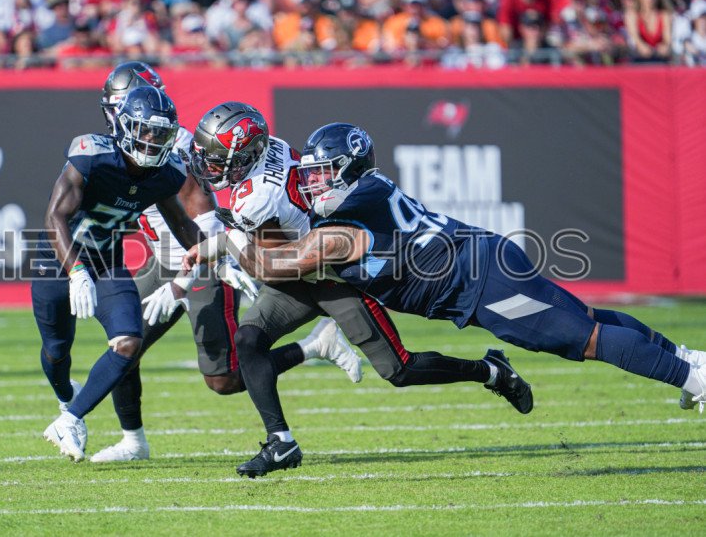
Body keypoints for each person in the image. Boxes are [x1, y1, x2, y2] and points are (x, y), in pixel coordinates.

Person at [188, 122, 706, 473]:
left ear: (347, 170)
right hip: (482, 261)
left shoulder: (339, 232)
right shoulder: (371, 187)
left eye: (323, 173)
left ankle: (693, 378)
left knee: (584, 339)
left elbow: (272, 266)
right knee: (588, 319)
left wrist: (226, 239)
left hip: (480, 284)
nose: (313, 181)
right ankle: (687, 359)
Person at [183, 109, 533, 478]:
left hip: (334, 274)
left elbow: (267, 266)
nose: (210, 166)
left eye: (217, 159)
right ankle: (280, 442)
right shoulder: (273, 150)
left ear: (248, 154)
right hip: (300, 270)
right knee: (249, 340)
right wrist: (222, 244)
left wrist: (226, 243)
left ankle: (492, 371)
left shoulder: (256, 197)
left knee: (399, 369)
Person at [89, 62, 360, 463]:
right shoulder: (122, 146)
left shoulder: (173, 146)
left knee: (224, 380)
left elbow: (200, 218)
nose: (119, 117)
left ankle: (314, 346)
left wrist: (191, 275)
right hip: (162, 262)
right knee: (123, 346)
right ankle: (134, 441)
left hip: (204, 262)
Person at [32, 83, 205, 463]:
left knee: (129, 342)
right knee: (57, 351)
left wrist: (217, 255)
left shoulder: (165, 173)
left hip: (107, 262)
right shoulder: (93, 156)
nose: (152, 140)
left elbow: (181, 222)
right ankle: (66, 397)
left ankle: (70, 420)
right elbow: (54, 217)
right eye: (146, 130)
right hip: (56, 261)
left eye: (160, 133)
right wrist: (76, 272)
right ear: (124, 125)